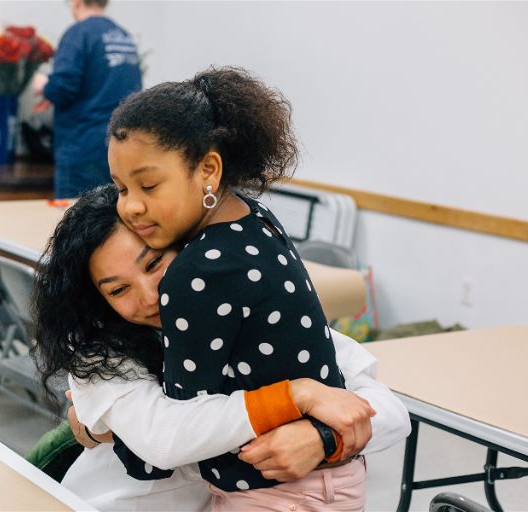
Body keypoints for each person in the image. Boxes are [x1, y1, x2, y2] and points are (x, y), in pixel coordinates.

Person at [32, 185, 410, 511]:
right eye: (118, 290)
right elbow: (166, 437)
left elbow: (390, 411)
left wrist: (323, 437)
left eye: (154, 264)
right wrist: (298, 395)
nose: (151, 298)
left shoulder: (251, 317)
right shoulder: (101, 355)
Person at [106, 66, 366, 507]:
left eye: (148, 184)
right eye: (120, 187)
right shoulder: (254, 218)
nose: (131, 205)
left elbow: (174, 438)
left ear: (208, 168)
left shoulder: (200, 273)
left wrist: (107, 422)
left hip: (278, 494)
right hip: (330, 482)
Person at [31, 0, 142, 199]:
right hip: (119, 148)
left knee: (75, 221)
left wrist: (45, 85)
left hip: (82, 147)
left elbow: (63, 88)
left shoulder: (78, 34)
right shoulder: (123, 36)